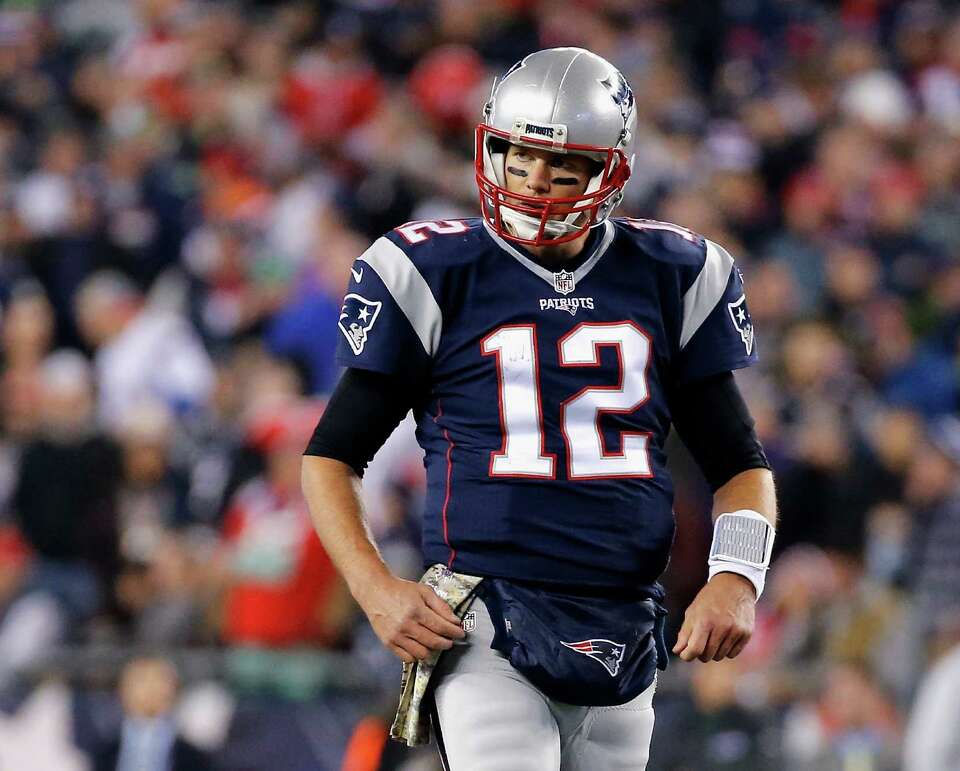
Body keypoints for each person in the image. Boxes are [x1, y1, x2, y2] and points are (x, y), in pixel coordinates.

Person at [302, 47, 777, 770]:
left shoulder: (672, 275)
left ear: (612, 169)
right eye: (518, 157)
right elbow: (331, 456)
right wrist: (375, 588)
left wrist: (736, 578)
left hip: (625, 619)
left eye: (563, 167)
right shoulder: (436, 270)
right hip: (487, 614)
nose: (534, 182)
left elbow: (741, 463)